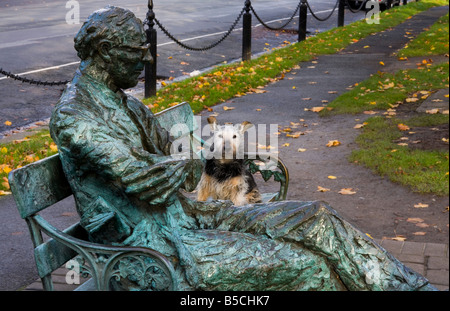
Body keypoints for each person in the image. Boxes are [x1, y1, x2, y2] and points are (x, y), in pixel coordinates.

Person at [50, 6, 436, 291]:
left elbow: (178, 155)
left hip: (190, 215)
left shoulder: (126, 103)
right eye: (138, 50)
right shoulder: (75, 116)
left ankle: (410, 287)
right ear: (105, 50)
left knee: (317, 216)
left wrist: (189, 156)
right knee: (307, 267)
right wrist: (194, 155)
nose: (148, 58)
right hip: (149, 250)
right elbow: (144, 181)